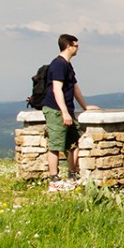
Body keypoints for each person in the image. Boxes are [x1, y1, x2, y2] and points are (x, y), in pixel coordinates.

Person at [41, 34, 99, 181]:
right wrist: (64, 112)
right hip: (56, 110)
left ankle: (72, 174)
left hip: (67, 110)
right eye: (76, 45)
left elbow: (74, 88)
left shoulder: (67, 65)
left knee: (74, 142)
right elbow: (57, 89)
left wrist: (85, 106)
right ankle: (54, 178)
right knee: (56, 144)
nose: (78, 48)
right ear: (68, 46)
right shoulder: (59, 65)